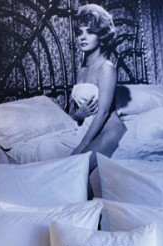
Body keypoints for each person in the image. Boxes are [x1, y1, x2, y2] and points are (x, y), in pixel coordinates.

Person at [70, 4, 126, 170]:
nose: (83, 37)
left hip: (109, 130)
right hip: (88, 129)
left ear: (101, 35)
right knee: (66, 168)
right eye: (79, 32)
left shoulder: (106, 68)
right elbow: (78, 110)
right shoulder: (82, 70)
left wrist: (82, 145)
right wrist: (78, 115)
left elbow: (103, 112)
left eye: (90, 32)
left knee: (77, 168)